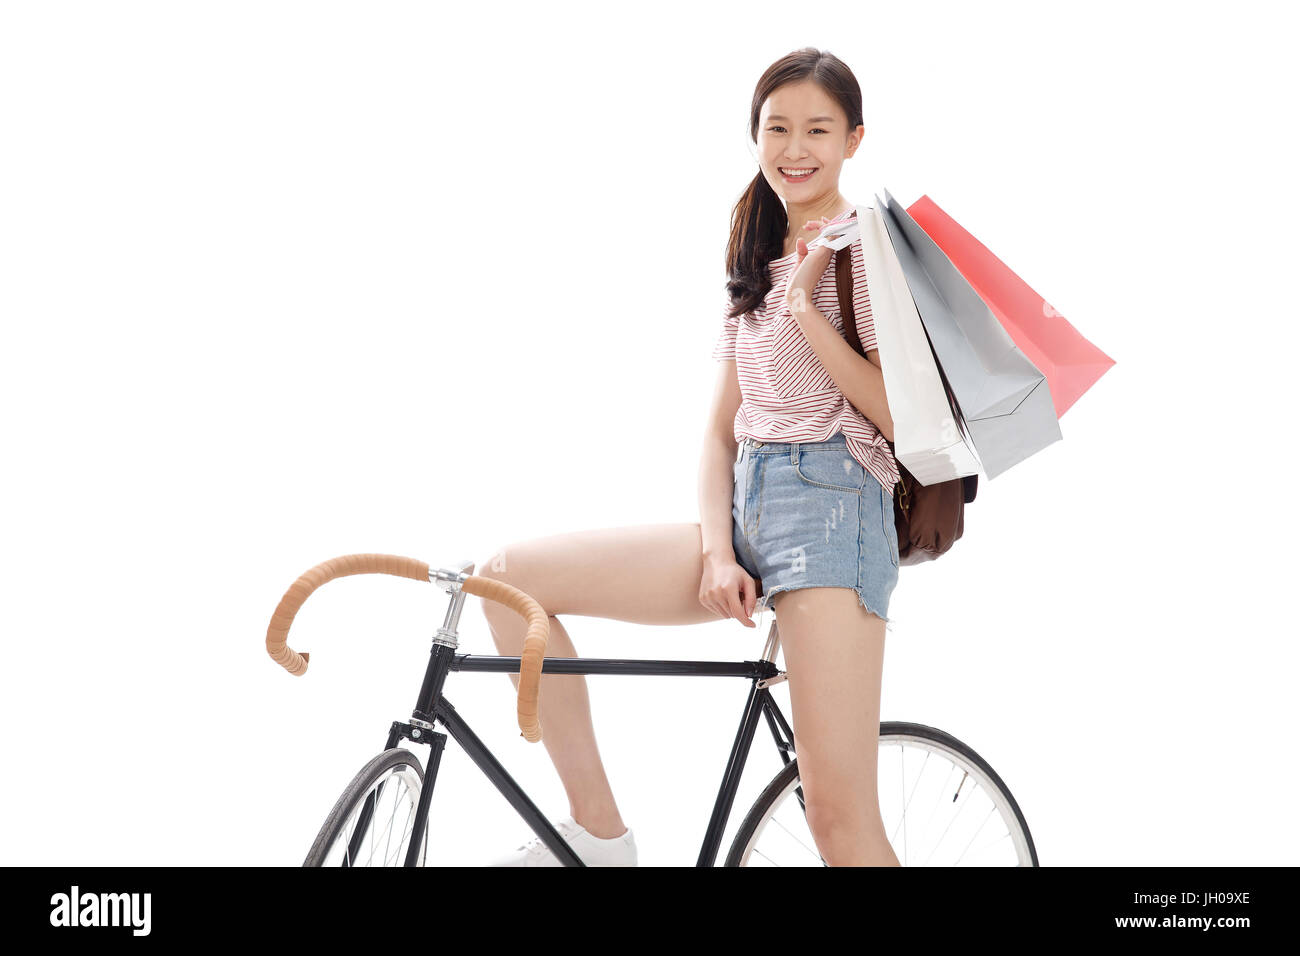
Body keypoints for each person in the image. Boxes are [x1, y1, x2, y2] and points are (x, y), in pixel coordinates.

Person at [478, 47, 901, 867]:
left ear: (854, 138)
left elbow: (895, 415)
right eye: (777, 128)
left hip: (835, 512)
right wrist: (716, 551)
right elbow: (719, 431)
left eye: (818, 128)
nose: (795, 147)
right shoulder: (757, 249)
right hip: (748, 508)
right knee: (509, 579)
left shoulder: (869, 249)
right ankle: (600, 838)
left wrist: (809, 309)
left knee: (839, 822)